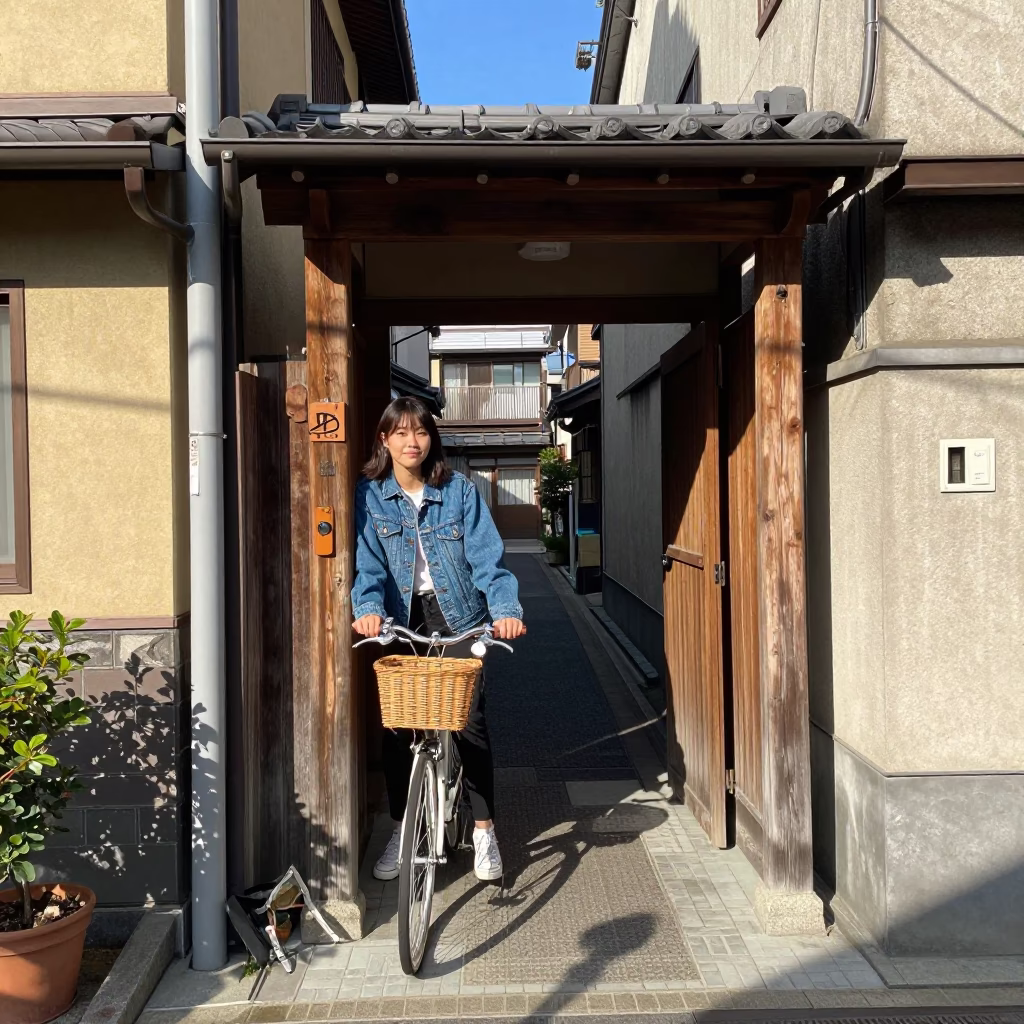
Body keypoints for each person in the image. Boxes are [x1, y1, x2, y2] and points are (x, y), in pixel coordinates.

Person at [352, 397, 526, 883]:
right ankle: (403, 826)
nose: (412, 442)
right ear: (384, 440)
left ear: (432, 438)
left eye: (421, 432)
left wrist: (505, 611)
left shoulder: (459, 492)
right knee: (398, 726)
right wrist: (366, 609)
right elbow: (367, 565)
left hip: (457, 616)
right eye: (401, 433)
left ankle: (485, 830)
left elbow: (488, 561)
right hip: (400, 616)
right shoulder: (369, 495)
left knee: (468, 722)